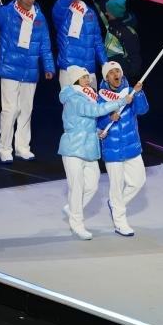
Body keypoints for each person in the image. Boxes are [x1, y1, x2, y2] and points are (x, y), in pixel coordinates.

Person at [58, 65, 131, 240]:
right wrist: (121, 102)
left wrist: (97, 132)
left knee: (92, 184)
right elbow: (95, 111)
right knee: (77, 187)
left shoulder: (89, 95)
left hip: (89, 147)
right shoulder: (74, 97)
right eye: (84, 77)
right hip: (73, 148)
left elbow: (88, 121)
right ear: (76, 80)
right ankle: (77, 224)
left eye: (88, 76)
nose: (88, 79)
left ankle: (72, 209)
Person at [0, 0, 54, 163]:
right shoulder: (7, 13)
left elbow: (45, 45)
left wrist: (48, 67)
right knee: (10, 110)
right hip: (10, 68)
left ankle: (22, 147)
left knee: (26, 110)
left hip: (30, 70)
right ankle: (5, 148)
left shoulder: (39, 17)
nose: (30, 0)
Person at [96, 61, 148, 237]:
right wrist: (108, 118)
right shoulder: (100, 97)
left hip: (131, 146)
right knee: (116, 187)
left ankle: (116, 204)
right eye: (111, 72)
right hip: (112, 148)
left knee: (138, 181)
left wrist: (139, 94)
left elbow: (142, 110)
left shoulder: (130, 92)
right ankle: (120, 222)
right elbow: (96, 120)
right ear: (106, 77)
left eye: (117, 71)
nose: (116, 74)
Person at [53, 0, 108, 89]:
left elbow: (97, 41)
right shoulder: (62, 13)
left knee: (91, 100)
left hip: (88, 69)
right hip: (69, 68)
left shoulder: (90, 13)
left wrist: (105, 64)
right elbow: (59, 7)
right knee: (69, 100)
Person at [96, 0, 142, 78]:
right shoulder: (111, 25)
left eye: (108, 11)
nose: (106, 13)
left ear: (114, 13)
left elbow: (135, 59)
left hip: (121, 75)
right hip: (109, 71)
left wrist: (125, 76)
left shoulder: (128, 33)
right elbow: (100, 9)